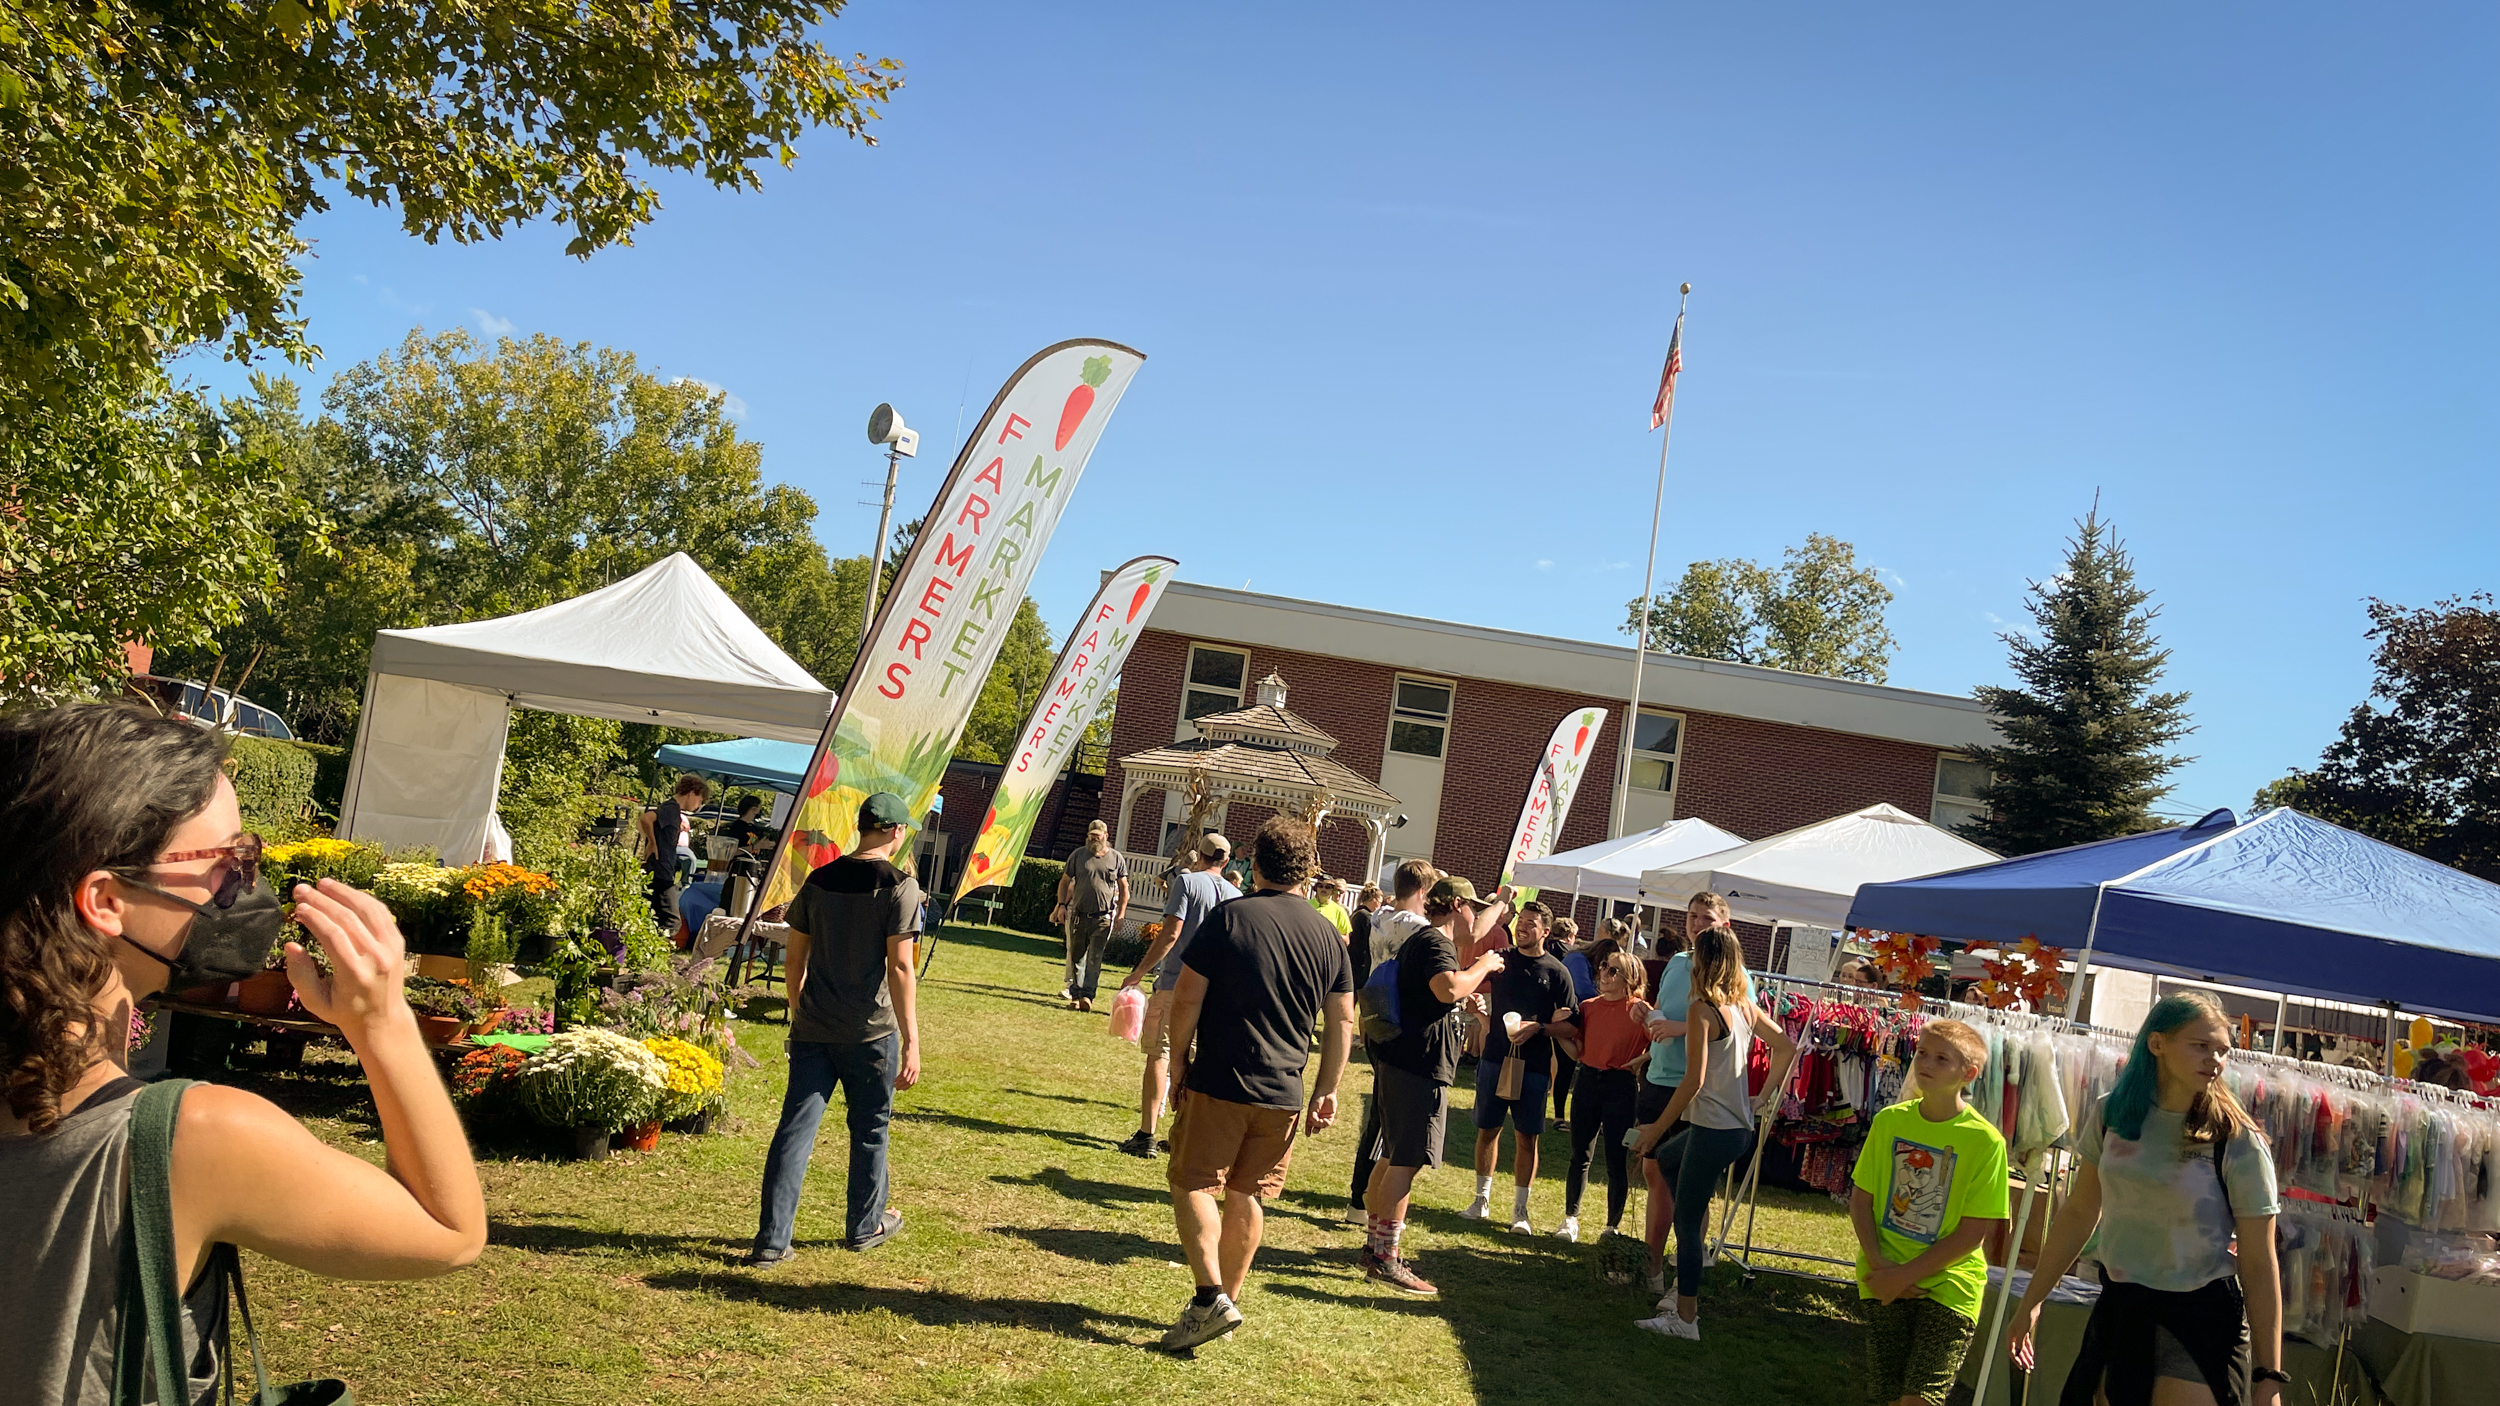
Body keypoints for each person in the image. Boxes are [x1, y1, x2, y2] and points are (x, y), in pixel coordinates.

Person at [0, 703, 486, 1400]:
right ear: (106, 900)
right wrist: (383, 1023)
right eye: (227, 860)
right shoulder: (191, 1137)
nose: (245, 883)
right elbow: (450, 1232)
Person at [2009, 992, 2285, 1406]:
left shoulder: (2236, 1139)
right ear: (2157, 1044)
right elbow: (2079, 1214)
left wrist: (2269, 1376)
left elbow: (2260, 1262)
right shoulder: (2112, 1117)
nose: (2215, 1059)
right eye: (2201, 1045)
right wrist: (2032, 1301)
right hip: (2122, 1308)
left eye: (2223, 1051)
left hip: (2201, 1318)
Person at [1157, 817, 1354, 1352]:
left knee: (1194, 1182)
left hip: (1223, 1077)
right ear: (1308, 871)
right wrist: (1328, 1087)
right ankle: (1222, 1303)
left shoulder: (1230, 918)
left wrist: (1177, 1062)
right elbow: (1341, 1022)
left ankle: (1210, 1299)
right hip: (1284, 1091)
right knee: (1248, 1194)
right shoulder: (1329, 937)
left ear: (1255, 864)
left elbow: (1188, 997)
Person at [751, 792, 924, 1266]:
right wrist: (912, 1039)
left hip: (814, 1027)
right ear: (894, 832)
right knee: (870, 1128)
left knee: (795, 1130)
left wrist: (796, 1008)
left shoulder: (819, 879)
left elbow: (795, 956)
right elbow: (901, 967)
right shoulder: (901, 887)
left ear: (861, 826)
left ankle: (771, 1241)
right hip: (871, 1032)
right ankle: (865, 1226)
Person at [1631, 922, 1796, 1340]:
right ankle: (1687, 1279)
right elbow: (1787, 1047)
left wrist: (1654, 1130)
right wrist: (1759, 1098)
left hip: (1714, 1130)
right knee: (1669, 1161)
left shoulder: (1702, 1010)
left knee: (1686, 1225)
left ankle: (1685, 1318)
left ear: (1701, 964)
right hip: (1737, 1128)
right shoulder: (1743, 1006)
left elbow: (1693, 1082)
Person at [1358, 876, 1510, 1296]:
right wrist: (1483, 967)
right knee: (1405, 1159)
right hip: (1418, 1065)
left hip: (1400, 1059)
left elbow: (1437, 993)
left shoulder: (1422, 941)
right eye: (1473, 910)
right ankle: (1386, 1257)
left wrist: (1464, 995)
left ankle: (1375, 1247)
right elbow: (1446, 987)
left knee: (1391, 1155)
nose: (1475, 918)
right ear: (1457, 905)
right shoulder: (1434, 943)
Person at [1849, 1020, 2009, 1406]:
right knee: (1890, 1396)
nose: (1926, 1063)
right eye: (1922, 1052)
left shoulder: (1987, 1142)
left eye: (1941, 1058)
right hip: (1882, 1273)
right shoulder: (1890, 1122)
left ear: (1968, 1074)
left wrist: (1905, 1276)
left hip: (1950, 1286)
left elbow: (1973, 1233)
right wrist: (1882, 1268)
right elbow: (1861, 1201)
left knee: (1920, 1398)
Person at [1635, 891, 1748, 1296]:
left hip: (1694, 1087)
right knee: (1655, 1171)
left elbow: (1733, 1021)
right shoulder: (1679, 963)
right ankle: (1653, 1265)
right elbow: (1668, 1015)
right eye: (1692, 916)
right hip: (1660, 1076)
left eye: (1706, 918)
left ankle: (1684, 1278)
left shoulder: (1735, 973)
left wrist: (1685, 1029)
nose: (1697, 924)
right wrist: (1648, 1021)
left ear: (1724, 925)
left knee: (1688, 1184)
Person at [1117, 832, 1239, 1158]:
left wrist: (1139, 972)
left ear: (1199, 854)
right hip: (1212, 994)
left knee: (1161, 1055)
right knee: (1195, 1063)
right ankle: (1181, 1135)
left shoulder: (1187, 883)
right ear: (1226, 861)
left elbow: (1171, 932)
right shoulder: (1234, 894)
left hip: (1175, 984)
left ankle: (1146, 1136)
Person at [1463, 899, 1578, 1232]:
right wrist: (1477, 1007)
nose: (1522, 927)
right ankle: (1480, 1201)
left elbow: (1572, 1026)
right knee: (1487, 1130)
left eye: (1531, 923)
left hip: (1535, 1067)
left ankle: (1520, 1211)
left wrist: (1539, 1028)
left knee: (1527, 1137)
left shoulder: (1557, 971)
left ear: (1545, 930)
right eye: (1520, 921)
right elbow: (1472, 981)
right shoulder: (1501, 961)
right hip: (1495, 1059)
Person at [1347, 859, 1436, 1222]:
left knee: (1380, 1117)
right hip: (1400, 1024)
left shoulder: (1378, 917)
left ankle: (1359, 1198)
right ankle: (1368, 1203)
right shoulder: (1417, 928)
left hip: (1375, 1018)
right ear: (1421, 892)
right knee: (1388, 1128)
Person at [1556, 952, 1652, 1243]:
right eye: (1603, 967)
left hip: (1620, 1083)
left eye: (1613, 971)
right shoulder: (1588, 1008)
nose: (1604, 974)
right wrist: (1556, 1032)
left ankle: (1612, 1226)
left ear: (1630, 980)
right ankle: (1570, 1217)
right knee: (1579, 1154)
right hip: (1587, 1079)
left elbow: (1661, 1043)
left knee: (1615, 1158)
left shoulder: (1639, 1010)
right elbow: (1577, 1050)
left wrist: (1642, 1058)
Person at [1052, 819, 1128, 1012]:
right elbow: (1064, 882)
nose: (1094, 838)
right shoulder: (1077, 856)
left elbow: (1124, 889)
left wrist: (1120, 914)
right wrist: (1061, 905)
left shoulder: (1116, 858)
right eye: (1091, 835)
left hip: (1103, 918)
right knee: (1076, 957)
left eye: (1098, 835)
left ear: (1106, 836)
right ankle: (1075, 996)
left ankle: (1088, 996)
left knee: (1095, 958)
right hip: (1078, 915)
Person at [640, 774, 709, 935]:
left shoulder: (673, 811)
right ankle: (658, 954)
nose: (699, 805)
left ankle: (650, 953)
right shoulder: (671, 809)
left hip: (661, 869)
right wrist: (651, 842)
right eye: (700, 799)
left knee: (653, 917)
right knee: (672, 921)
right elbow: (646, 818)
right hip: (661, 871)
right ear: (691, 793)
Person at [1551, 915, 1587, 1130]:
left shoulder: (1544, 948)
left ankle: (1556, 1115)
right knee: (1565, 1066)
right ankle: (1559, 1117)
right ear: (1571, 935)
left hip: (1545, 1011)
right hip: (1564, 1012)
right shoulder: (1573, 956)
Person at [1309, 876, 1353, 940]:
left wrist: (1330, 936)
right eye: (1320, 886)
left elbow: (1346, 940)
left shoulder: (1340, 911)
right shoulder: (1306, 905)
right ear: (1316, 888)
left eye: (1327, 887)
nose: (1323, 889)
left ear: (1333, 891)